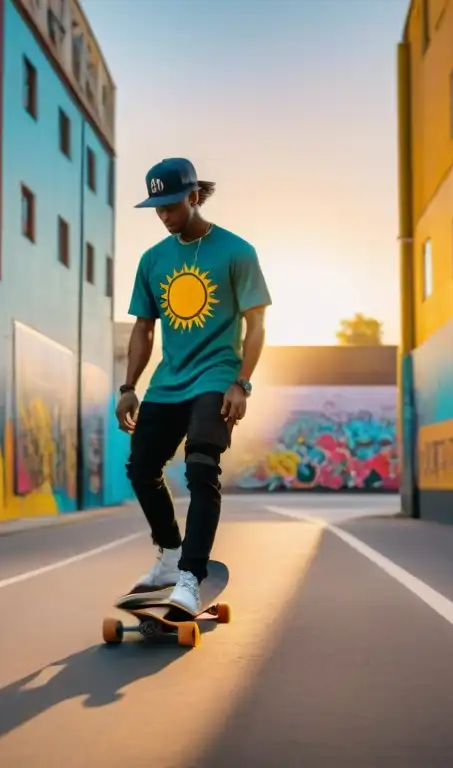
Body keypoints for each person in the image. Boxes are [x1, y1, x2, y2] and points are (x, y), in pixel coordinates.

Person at [115, 157, 271, 614]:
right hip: (167, 384)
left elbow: (256, 324)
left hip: (217, 376)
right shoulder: (153, 260)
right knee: (142, 468)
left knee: (201, 468)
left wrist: (242, 383)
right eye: (157, 209)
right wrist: (128, 386)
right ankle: (167, 555)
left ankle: (190, 574)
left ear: (194, 196)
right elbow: (143, 329)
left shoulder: (237, 251)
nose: (164, 216)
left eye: (171, 206)